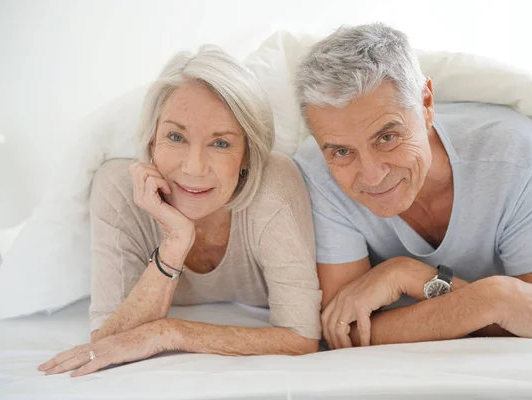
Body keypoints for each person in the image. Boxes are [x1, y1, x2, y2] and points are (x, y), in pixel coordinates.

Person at [292, 23, 532, 350]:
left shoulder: (512, 156)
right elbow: (345, 329)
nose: (371, 176)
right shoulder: (317, 171)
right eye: (342, 151)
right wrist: (492, 299)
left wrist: (409, 276)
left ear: (425, 104)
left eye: (387, 137)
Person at [38, 45, 322, 377]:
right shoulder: (118, 188)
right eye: (175, 136)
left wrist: (168, 332)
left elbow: (300, 338)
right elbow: (109, 343)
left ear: (247, 154)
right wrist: (175, 240)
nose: (194, 167)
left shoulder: (274, 183)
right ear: (150, 141)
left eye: (220, 143)